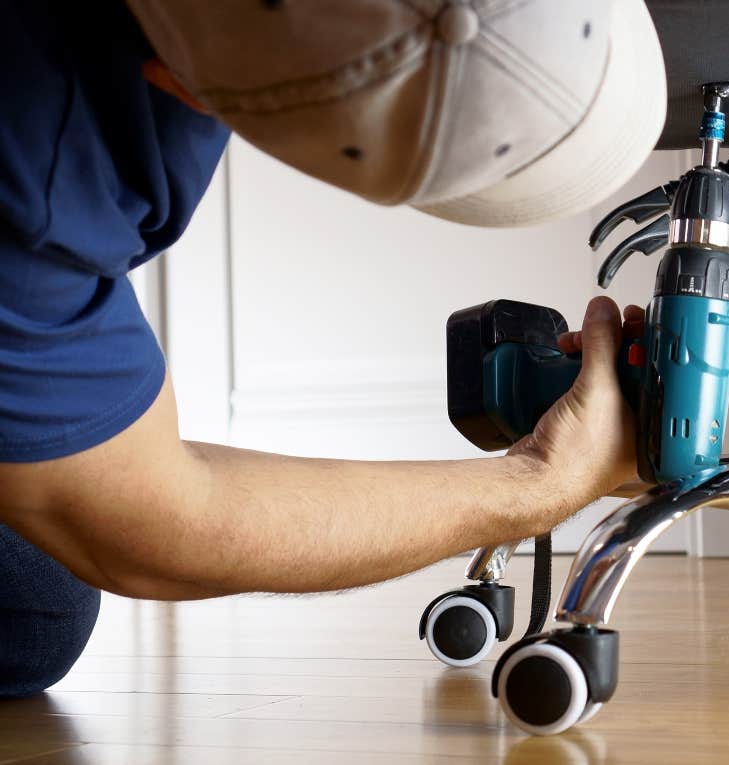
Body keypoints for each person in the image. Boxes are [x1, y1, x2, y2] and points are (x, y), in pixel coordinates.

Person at [0, 0, 666, 696]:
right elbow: (153, 523)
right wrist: (546, 481)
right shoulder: (28, 194)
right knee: (35, 620)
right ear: (186, 87)